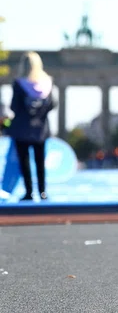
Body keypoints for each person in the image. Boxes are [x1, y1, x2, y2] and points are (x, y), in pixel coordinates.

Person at [8, 52, 57, 202]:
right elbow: (53, 104)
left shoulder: (19, 84)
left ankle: (29, 191)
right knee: (40, 161)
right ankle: (42, 191)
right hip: (41, 129)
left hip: (22, 128)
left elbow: (14, 106)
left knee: (25, 161)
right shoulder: (47, 84)